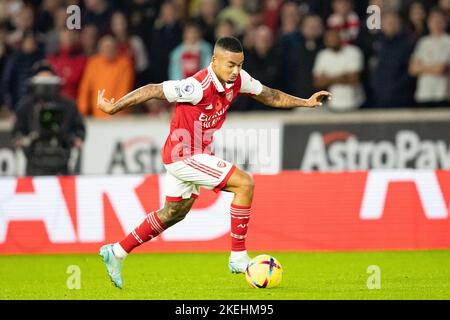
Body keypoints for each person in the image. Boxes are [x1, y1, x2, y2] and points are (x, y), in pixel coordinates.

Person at [97, 36, 331, 288]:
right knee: (244, 183)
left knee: (174, 213)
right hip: (183, 153)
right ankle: (238, 257)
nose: (236, 71)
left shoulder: (239, 80)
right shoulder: (196, 86)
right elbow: (154, 89)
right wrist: (114, 107)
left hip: (193, 152)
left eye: (240, 65)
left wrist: (305, 102)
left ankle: (117, 251)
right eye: (230, 64)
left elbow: (269, 95)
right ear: (214, 61)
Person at [12, 61, 85, 176]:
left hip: (62, 161)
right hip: (34, 162)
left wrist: (76, 139)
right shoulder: (26, 106)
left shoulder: (68, 105)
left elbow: (79, 129)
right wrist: (22, 140)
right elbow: (17, 131)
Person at [409, 8, 450, 107]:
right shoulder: (423, 42)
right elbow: (413, 69)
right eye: (434, 21)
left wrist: (423, 67)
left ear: (445, 23)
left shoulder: (448, 42)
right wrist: (435, 68)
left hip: (443, 94)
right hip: (424, 94)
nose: (436, 24)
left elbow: (443, 69)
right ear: (428, 23)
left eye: (439, 21)